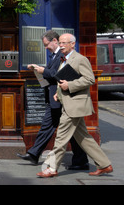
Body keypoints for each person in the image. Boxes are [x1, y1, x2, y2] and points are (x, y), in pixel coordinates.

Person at [37, 33, 113, 178]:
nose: (61, 45)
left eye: (65, 43)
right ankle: (104, 165)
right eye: (60, 43)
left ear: (73, 44)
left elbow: (90, 79)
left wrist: (69, 85)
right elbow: (62, 80)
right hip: (68, 103)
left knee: (60, 137)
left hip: (75, 106)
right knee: (84, 138)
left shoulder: (80, 59)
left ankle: (51, 168)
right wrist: (58, 93)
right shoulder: (63, 59)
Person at [17, 30, 88, 169]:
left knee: (72, 132)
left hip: (61, 99)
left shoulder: (63, 56)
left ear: (54, 41)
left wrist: (43, 70)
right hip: (54, 98)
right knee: (47, 126)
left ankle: (81, 161)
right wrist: (38, 70)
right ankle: (34, 154)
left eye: (46, 44)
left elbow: (58, 75)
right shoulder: (55, 56)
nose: (45, 48)